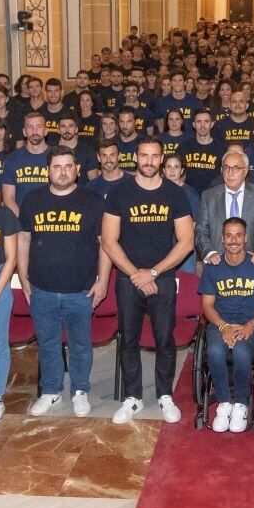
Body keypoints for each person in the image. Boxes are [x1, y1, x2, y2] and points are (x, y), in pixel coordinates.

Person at [101, 140, 194, 425]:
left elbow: (187, 242)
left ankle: (165, 395)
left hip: (163, 279)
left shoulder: (174, 194)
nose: (150, 161)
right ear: (136, 158)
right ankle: (133, 397)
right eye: (144, 155)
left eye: (155, 155)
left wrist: (152, 273)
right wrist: (135, 274)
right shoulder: (119, 192)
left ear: (162, 158)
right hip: (129, 279)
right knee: (128, 340)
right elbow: (108, 240)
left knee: (164, 340)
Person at [20, 147, 110, 417]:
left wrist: (103, 280)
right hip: (42, 289)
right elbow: (23, 240)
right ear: (48, 170)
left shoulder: (92, 201)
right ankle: (51, 391)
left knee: (80, 344)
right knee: (47, 344)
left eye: (68, 166)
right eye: (57, 166)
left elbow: (104, 244)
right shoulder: (32, 199)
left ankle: (80, 390)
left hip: (80, 290)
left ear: (77, 169)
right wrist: (23, 277)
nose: (62, 172)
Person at [200, 216, 254, 432]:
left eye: (238, 235)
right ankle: (225, 403)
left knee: (242, 352)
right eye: (229, 235)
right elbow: (207, 305)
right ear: (222, 239)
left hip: (251, 324)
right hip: (220, 323)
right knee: (216, 350)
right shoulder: (212, 267)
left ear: (246, 238)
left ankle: (241, 404)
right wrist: (224, 326)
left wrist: (251, 325)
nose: (233, 240)